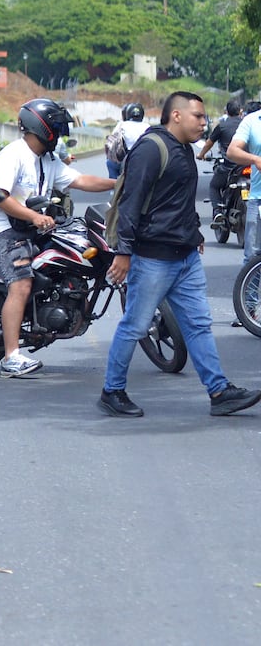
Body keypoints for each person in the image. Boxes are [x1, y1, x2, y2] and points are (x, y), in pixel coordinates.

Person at [99, 92, 261, 418]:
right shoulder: (150, 149)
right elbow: (131, 203)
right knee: (136, 325)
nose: (204, 123)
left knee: (199, 325)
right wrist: (124, 253)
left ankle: (219, 392)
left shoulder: (184, 150)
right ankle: (112, 391)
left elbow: (177, 202)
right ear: (176, 116)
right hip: (153, 258)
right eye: (198, 116)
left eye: (204, 118)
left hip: (184, 257)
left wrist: (195, 234)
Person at [0, 99, 114, 377]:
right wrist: (33, 216)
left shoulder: (48, 160)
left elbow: (82, 181)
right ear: (41, 127)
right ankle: (11, 357)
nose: (59, 135)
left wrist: (119, 183)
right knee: (21, 284)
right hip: (2, 232)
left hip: (31, 230)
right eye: (56, 129)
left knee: (70, 258)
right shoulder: (13, 154)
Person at [198, 100, 243, 227]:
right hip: (247, 165)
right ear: (240, 111)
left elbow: (209, 143)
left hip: (228, 167)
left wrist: (201, 155)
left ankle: (218, 211)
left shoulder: (222, 126)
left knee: (214, 186)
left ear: (227, 112)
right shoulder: (246, 124)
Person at [226, 102, 261, 262]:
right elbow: (232, 151)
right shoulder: (251, 121)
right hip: (258, 198)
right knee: (252, 257)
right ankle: (252, 288)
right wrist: (255, 159)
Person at [105, 102, 150, 178]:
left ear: (127, 113)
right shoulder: (147, 126)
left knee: (110, 163)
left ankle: (114, 187)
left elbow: (112, 141)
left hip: (125, 158)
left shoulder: (122, 125)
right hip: (143, 159)